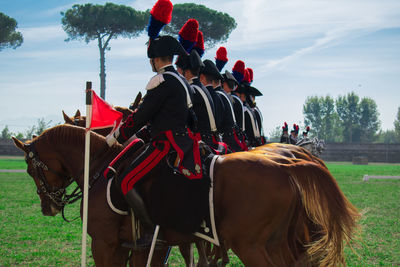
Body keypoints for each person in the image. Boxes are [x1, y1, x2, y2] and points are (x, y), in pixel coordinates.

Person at [199, 59, 229, 154]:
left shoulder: (203, 94)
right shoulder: (218, 96)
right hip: (216, 140)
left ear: (202, 77)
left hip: (206, 143)